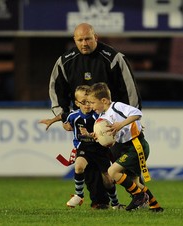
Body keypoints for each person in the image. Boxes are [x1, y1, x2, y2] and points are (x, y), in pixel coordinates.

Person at [48, 22, 142, 208]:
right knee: (90, 164)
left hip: (113, 123)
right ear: (74, 40)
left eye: (88, 38)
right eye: (80, 39)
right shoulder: (65, 61)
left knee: (126, 161)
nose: (84, 43)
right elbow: (57, 90)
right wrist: (62, 117)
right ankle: (100, 202)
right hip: (84, 123)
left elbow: (129, 90)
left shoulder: (113, 58)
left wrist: (129, 122)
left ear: (95, 37)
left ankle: (140, 197)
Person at [39, 85, 124, 209]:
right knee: (79, 166)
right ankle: (79, 195)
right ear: (77, 103)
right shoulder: (74, 116)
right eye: (84, 102)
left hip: (100, 150)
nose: (87, 105)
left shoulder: (98, 117)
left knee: (108, 179)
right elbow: (62, 116)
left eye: (89, 101)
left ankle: (115, 204)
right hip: (83, 149)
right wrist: (50, 121)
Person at [87, 82, 163, 212]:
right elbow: (110, 136)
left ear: (104, 100)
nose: (90, 106)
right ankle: (155, 206)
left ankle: (139, 195)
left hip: (136, 145)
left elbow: (137, 113)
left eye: (92, 102)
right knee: (135, 182)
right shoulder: (102, 116)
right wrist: (97, 136)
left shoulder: (116, 106)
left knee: (112, 172)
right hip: (125, 147)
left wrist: (120, 124)